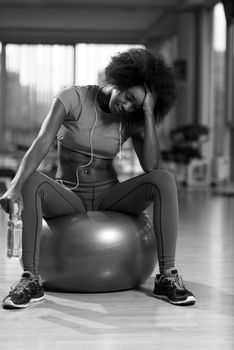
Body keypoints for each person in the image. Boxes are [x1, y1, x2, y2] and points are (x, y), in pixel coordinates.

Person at [0, 48, 196, 309]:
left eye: (134, 105)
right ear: (119, 80)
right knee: (32, 180)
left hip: (108, 196)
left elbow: (151, 165)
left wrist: (147, 112)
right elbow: (42, 142)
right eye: (128, 97)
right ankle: (30, 279)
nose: (126, 106)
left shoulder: (131, 117)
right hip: (69, 196)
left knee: (164, 179)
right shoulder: (73, 97)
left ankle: (167, 276)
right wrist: (14, 185)